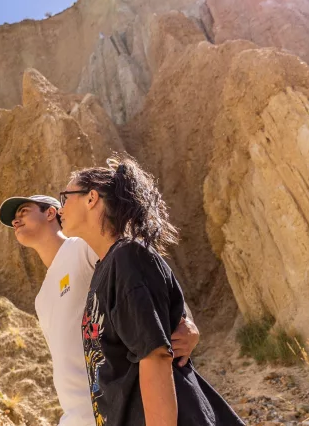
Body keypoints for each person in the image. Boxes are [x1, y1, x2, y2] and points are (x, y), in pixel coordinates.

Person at [58, 155, 243, 426]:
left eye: (66, 197)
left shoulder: (128, 258)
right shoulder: (106, 267)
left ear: (91, 198)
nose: (61, 207)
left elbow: (154, 355)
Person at [0, 194, 201, 426]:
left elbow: (145, 268)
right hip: (76, 416)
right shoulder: (41, 298)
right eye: (13, 219)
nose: (15, 221)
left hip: (118, 408)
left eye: (23, 211)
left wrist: (186, 320)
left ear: (51, 212)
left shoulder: (81, 247)